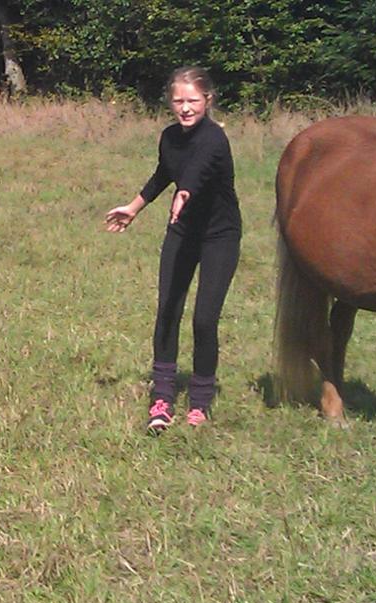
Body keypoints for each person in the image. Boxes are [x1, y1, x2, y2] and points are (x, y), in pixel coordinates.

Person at [104, 66, 242, 434]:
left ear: (208, 100)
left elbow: (195, 171)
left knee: (204, 319)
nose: (185, 108)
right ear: (169, 102)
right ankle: (162, 397)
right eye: (178, 100)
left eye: (193, 100)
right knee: (167, 310)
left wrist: (185, 193)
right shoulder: (169, 137)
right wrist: (133, 208)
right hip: (182, 232)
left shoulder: (214, 139)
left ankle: (199, 399)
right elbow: (165, 172)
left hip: (219, 236)